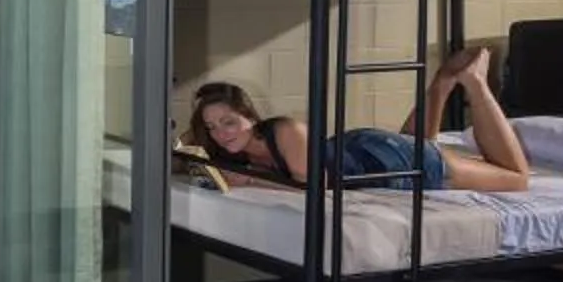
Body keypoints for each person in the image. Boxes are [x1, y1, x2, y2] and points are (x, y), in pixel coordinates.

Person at [187, 48, 532, 194]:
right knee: (419, 147)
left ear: (250, 117)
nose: (221, 133)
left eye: (229, 122)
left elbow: (315, 188)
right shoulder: (227, 144)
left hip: (382, 158)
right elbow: (182, 148)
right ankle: (442, 83)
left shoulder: (283, 131)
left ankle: (475, 83)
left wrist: (248, 181)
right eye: (213, 127)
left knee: (516, 179)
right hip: (366, 149)